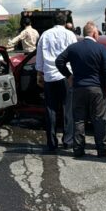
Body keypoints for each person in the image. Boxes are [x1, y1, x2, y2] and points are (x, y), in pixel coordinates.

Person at [56, 21, 106, 158]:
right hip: (96, 89)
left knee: (79, 119)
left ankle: (78, 149)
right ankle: (102, 149)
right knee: (99, 119)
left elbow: (59, 61)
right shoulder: (101, 48)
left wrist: (69, 76)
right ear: (95, 33)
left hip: (78, 88)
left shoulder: (73, 48)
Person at [35, 11, 78, 152]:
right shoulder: (70, 35)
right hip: (66, 76)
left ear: (53, 21)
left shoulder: (45, 35)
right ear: (65, 22)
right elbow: (74, 55)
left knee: (50, 110)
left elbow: (39, 57)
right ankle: (68, 141)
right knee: (67, 109)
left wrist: (40, 73)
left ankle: (51, 142)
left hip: (49, 77)